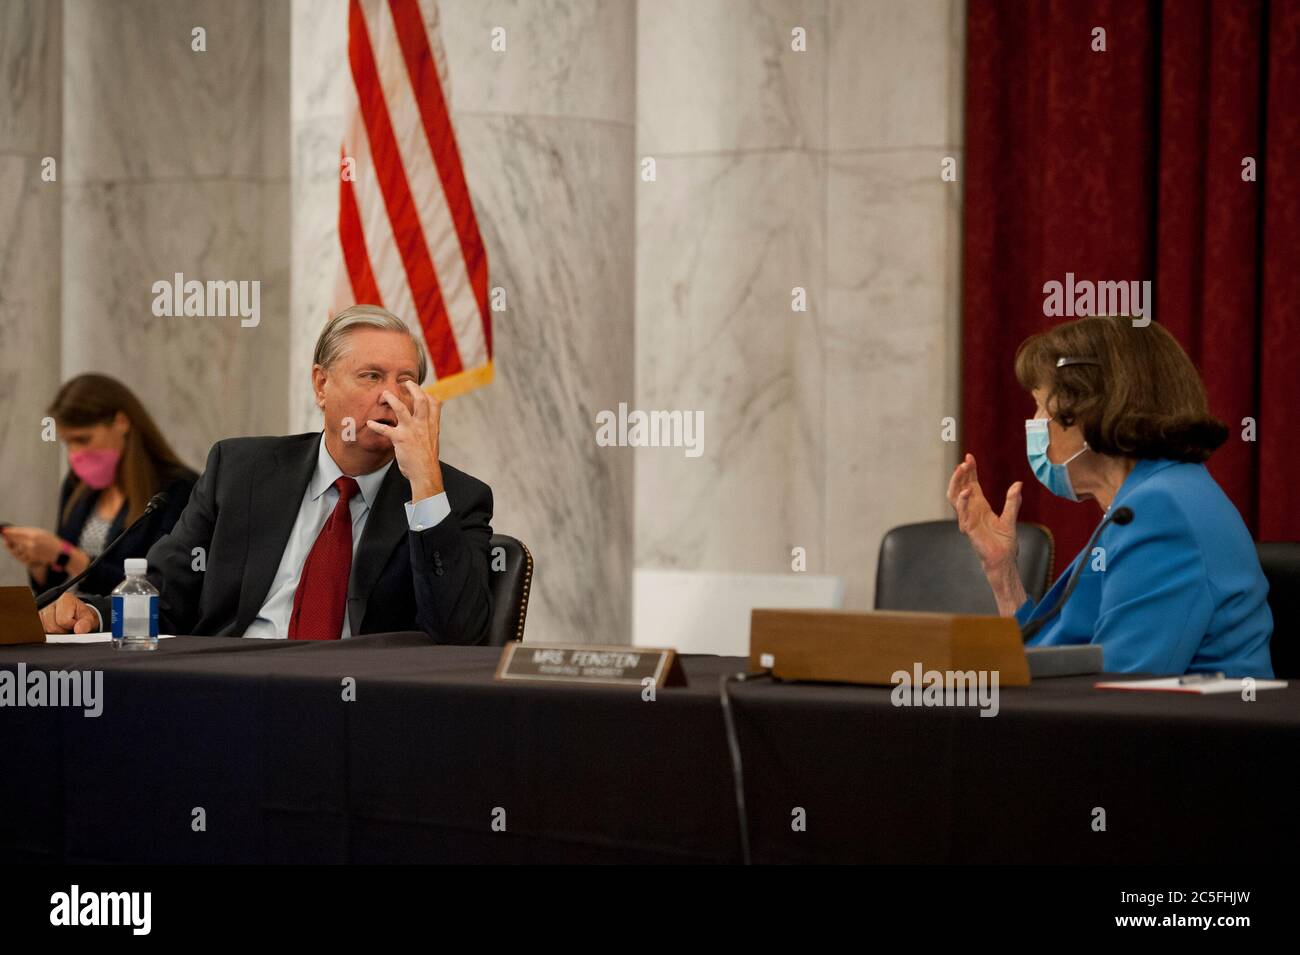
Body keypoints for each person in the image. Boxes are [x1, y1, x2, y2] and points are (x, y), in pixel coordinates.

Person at [40, 305, 494, 644]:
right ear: (321, 385)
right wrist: (94, 615)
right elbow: (166, 595)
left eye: (406, 380)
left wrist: (425, 485)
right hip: (233, 693)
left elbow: (460, 636)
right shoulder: (240, 472)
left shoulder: (453, 497)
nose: (390, 396)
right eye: (371, 376)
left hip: (363, 711)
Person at [946, 316, 1273, 677]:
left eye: (1042, 406)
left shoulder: (1161, 509)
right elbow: (1051, 664)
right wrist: (1002, 571)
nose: (1035, 423)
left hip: (1194, 730)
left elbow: (1121, 686)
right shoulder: (1150, 498)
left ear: (1092, 409)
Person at [1, 374, 197, 599]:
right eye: (68, 443)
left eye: (83, 440)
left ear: (121, 422)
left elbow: (153, 588)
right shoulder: (77, 485)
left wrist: (67, 556)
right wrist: (39, 561)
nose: (74, 454)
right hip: (76, 627)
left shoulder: (176, 489)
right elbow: (53, 588)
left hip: (133, 629)